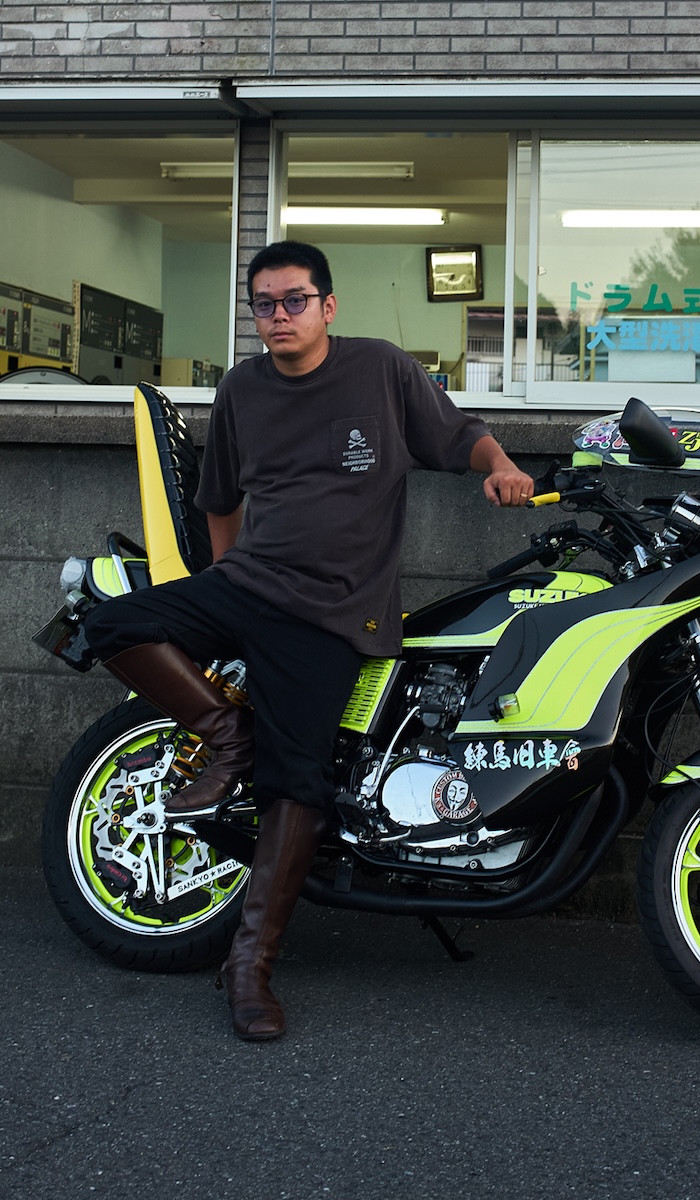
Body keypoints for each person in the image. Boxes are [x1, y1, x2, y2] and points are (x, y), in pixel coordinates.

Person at [84, 240, 535, 1042]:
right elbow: (219, 497)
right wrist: (223, 579)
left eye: (294, 300)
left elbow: (460, 433)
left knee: (298, 786)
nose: (279, 316)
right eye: (264, 304)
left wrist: (500, 466)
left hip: (333, 611)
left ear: (327, 306)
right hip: (247, 584)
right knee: (112, 622)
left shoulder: (381, 369)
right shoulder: (242, 388)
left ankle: (248, 966)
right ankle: (231, 734)